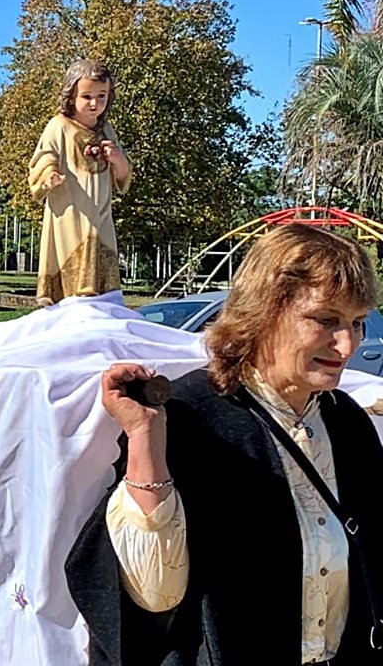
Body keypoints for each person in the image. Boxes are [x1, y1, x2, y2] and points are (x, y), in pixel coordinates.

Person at [67, 224, 383, 665]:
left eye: (357, 322)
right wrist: (145, 440)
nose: (347, 344)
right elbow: (152, 592)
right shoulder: (191, 415)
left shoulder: (347, 424)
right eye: (326, 319)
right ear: (266, 311)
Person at [28, 59, 132, 305]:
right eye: (87, 96)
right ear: (71, 95)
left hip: (101, 215)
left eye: (102, 96)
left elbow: (123, 177)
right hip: (70, 214)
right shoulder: (59, 126)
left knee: (102, 270)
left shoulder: (107, 130)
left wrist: (118, 159)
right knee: (72, 272)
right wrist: (48, 176)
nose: (95, 103)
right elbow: (43, 158)